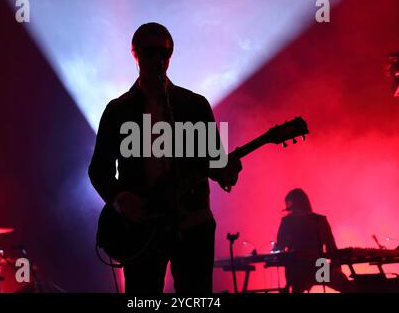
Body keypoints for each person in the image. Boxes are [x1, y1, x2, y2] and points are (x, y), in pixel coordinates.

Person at [89, 22, 242, 293]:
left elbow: (215, 162)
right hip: (142, 228)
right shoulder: (117, 110)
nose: (159, 60)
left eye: (165, 54)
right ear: (135, 54)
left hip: (193, 224)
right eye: (150, 52)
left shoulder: (194, 105)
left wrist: (227, 172)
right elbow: (98, 170)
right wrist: (120, 198)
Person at [273, 189, 353, 293]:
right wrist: (336, 268)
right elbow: (331, 248)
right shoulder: (320, 220)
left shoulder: (287, 221)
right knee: (346, 285)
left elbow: (280, 246)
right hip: (319, 266)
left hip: (296, 271)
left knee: (297, 286)